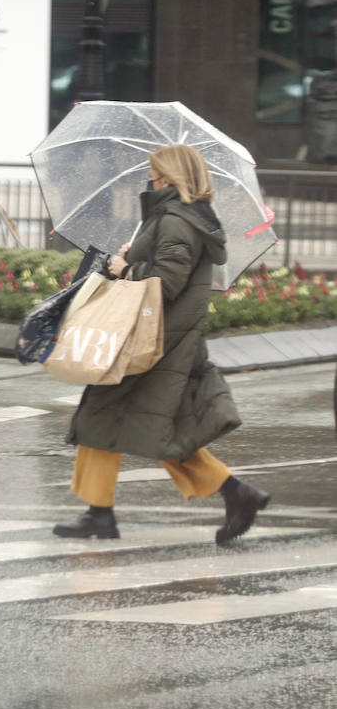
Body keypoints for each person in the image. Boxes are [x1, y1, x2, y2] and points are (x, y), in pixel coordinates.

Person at [53, 144, 269, 545]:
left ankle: (101, 514)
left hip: (155, 341)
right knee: (149, 426)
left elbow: (166, 282)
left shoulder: (174, 219)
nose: (149, 179)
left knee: (108, 419)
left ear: (169, 177)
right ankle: (237, 494)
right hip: (166, 338)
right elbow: (168, 269)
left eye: (154, 173)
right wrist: (133, 256)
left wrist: (127, 268)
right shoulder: (184, 217)